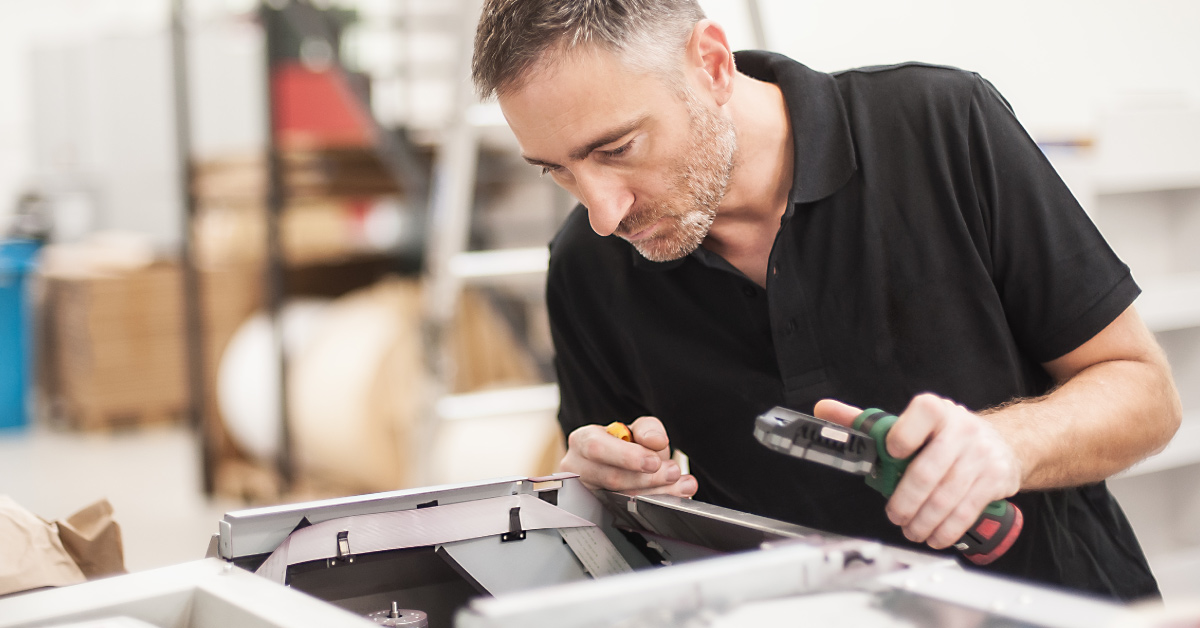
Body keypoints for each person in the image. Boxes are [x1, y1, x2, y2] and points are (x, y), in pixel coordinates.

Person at [472, 0, 1181, 601]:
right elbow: (620, 525)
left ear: (712, 65)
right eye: (556, 171)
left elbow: (1146, 395)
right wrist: (596, 489)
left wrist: (1004, 447)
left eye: (618, 148)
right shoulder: (585, 265)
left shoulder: (942, 126)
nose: (602, 212)